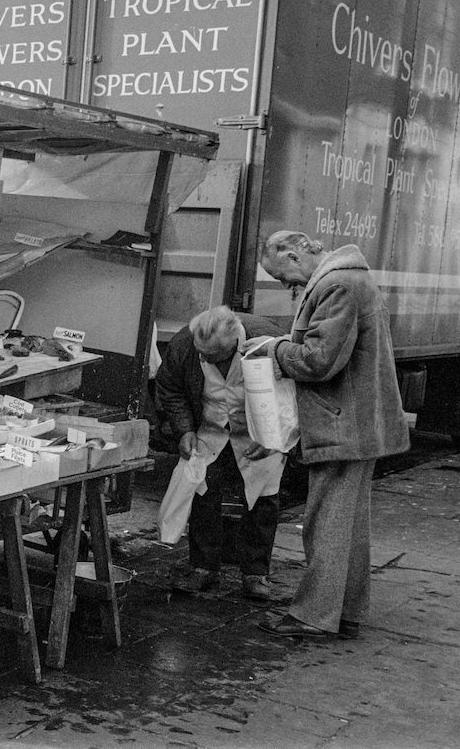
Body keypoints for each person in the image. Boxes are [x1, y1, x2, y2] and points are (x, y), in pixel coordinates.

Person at [255, 231, 409, 639]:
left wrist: (275, 349)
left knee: (325, 522)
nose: (287, 286)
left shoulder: (336, 284)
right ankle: (346, 612)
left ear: (293, 254)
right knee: (349, 526)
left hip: (342, 421)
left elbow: (318, 361)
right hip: (356, 421)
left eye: (283, 276)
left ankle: (313, 616)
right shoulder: (350, 279)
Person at [157, 306, 287, 600]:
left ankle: (255, 574)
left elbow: (291, 395)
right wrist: (184, 429)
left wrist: (272, 436)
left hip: (258, 431)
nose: (202, 359)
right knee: (203, 491)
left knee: (263, 499)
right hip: (210, 428)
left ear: (233, 345)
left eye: (211, 356)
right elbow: (171, 389)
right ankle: (203, 568)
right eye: (200, 353)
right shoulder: (184, 344)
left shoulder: (270, 341)